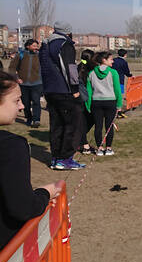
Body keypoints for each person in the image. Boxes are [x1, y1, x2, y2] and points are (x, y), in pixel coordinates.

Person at [0, 71, 62, 248]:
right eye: (16, 100)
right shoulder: (11, 147)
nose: (21, 106)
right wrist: (45, 193)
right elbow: (23, 207)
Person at [39, 22, 85, 171]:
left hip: (50, 90)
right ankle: (65, 158)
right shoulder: (64, 44)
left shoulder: (45, 45)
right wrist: (75, 89)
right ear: (68, 32)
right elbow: (70, 68)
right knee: (72, 124)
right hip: (64, 91)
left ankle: (56, 157)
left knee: (56, 125)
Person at [85, 52, 123, 156]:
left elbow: (89, 91)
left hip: (96, 103)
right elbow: (117, 90)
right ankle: (109, 148)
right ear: (104, 60)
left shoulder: (91, 73)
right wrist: (119, 104)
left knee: (98, 126)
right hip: (110, 102)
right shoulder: (113, 73)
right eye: (111, 59)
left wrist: (88, 105)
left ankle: (99, 148)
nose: (113, 61)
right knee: (109, 126)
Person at [9, 39, 43, 128]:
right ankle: (28, 118)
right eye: (34, 46)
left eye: (37, 46)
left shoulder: (40, 56)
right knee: (26, 103)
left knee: (36, 102)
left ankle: (36, 120)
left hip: (37, 83)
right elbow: (12, 68)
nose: (36, 48)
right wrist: (16, 78)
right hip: (23, 84)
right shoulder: (20, 55)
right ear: (28, 46)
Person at [77, 49, 96, 155]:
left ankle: (81, 141)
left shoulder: (78, 67)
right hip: (86, 99)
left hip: (80, 98)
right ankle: (84, 144)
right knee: (86, 121)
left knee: (84, 121)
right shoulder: (91, 69)